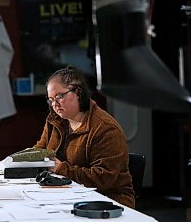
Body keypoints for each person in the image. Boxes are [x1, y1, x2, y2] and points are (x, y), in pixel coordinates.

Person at [34, 65, 135, 208]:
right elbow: (40, 149)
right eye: (51, 100)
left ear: (78, 93)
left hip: (107, 202)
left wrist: (61, 169)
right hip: (66, 195)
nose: (55, 104)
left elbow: (103, 178)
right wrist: (22, 160)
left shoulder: (104, 128)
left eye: (59, 97)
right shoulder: (55, 120)